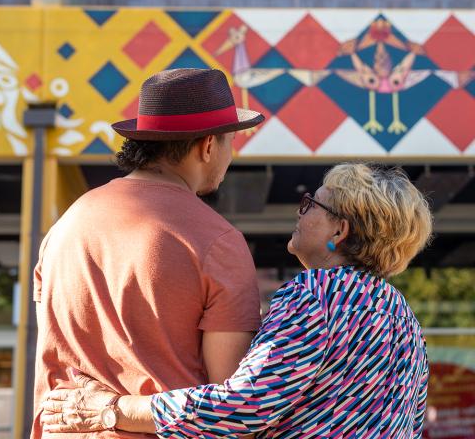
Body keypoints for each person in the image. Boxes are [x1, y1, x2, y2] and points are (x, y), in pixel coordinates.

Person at [42, 163, 433, 437]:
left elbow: (243, 407)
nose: (302, 212)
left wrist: (113, 410)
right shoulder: (407, 322)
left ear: (340, 230)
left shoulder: (317, 295)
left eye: (312, 204)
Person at [31, 68, 265, 438]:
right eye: (229, 142)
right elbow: (230, 409)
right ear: (207, 146)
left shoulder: (64, 228)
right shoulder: (218, 242)